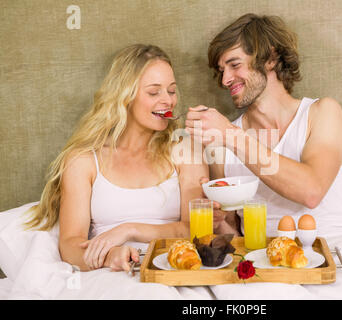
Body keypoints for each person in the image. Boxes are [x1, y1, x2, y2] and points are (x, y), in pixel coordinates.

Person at [24, 44, 208, 272]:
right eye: (153, 92)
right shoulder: (83, 160)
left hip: (173, 271)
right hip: (108, 276)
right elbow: (70, 247)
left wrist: (130, 230)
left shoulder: (185, 150)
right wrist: (111, 256)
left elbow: (197, 231)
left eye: (171, 91)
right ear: (125, 96)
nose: (168, 101)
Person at [185, 13, 342, 237]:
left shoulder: (322, 113)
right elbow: (233, 235)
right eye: (222, 71)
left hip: (338, 246)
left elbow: (311, 191)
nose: (225, 80)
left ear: (270, 58)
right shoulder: (221, 144)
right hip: (266, 259)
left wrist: (231, 135)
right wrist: (218, 221)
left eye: (234, 65)